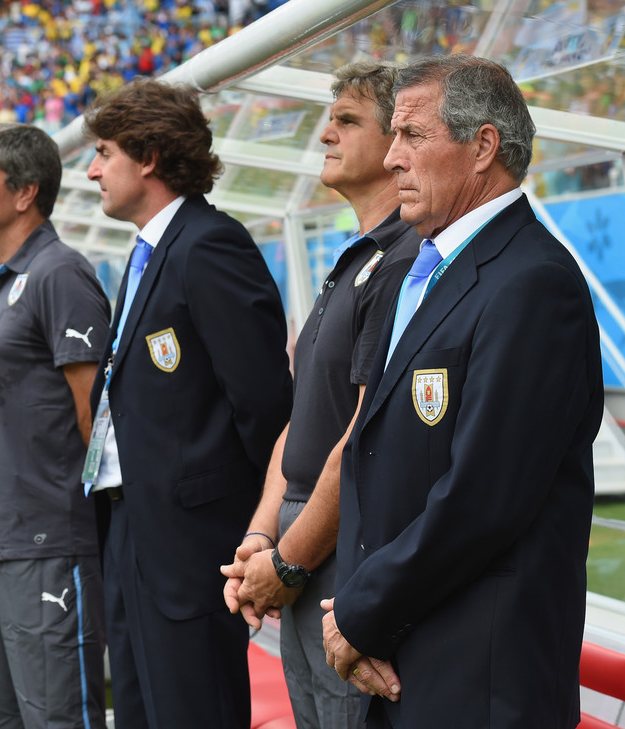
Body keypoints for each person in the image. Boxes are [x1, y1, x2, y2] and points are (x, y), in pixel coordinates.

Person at [322, 55, 603, 728]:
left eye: (412, 136)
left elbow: (483, 496)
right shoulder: (428, 271)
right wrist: (359, 615)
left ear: (482, 147)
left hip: (477, 682)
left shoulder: (533, 282)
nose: (392, 157)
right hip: (400, 659)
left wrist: (359, 613)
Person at [81, 79, 293, 729]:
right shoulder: (149, 250)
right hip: (132, 528)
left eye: (104, 153)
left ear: (148, 157)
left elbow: (263, 401)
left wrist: (252, 524)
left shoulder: (208, 244)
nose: (92, 171)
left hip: (192, 543)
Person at [220, 62, 420, 729]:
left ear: (396, 142)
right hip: (303, 536)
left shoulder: (404, 262)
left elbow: (361, 438)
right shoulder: (353, 259)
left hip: (340, 545)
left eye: (347, 121)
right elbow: (299, 422)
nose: (325, 133)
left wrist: (288, 560)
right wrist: (261, 535)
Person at [0, 123, 110, 728]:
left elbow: (94, 416)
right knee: (0, 718)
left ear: (25, 192)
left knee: (57, 716)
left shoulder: (59, 273)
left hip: (47, 541)